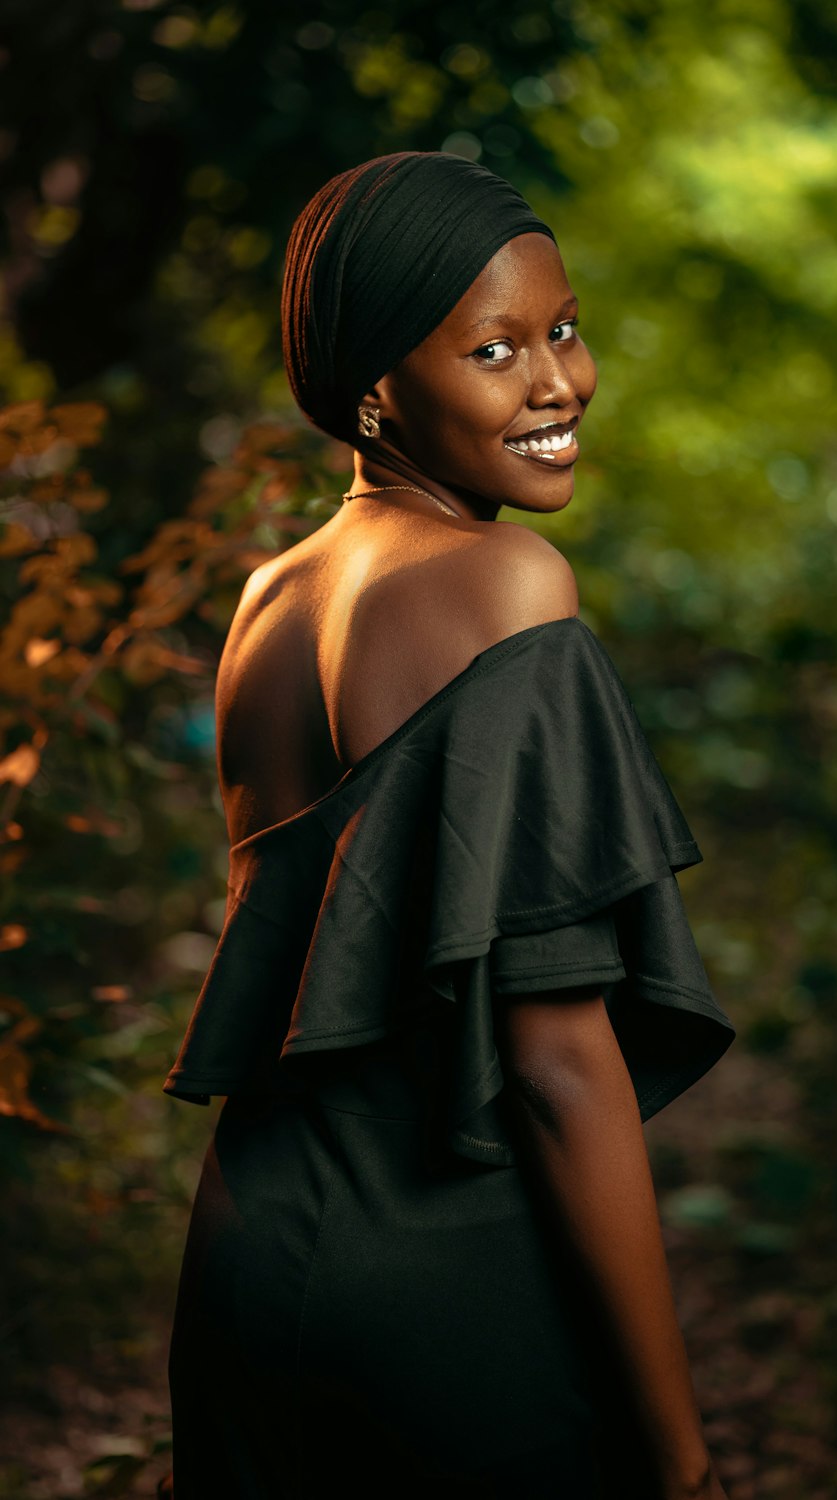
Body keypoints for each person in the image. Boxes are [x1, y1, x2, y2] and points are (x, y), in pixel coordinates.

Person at [162, 151, 737, 1499]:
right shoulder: (504, 582)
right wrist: (681, 1450)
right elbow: (555, 1060)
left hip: (247, 1264)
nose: (557, 383)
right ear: (375, 385)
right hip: (444, 1283)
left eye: (563, 329)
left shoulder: (270, 599)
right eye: (493, 348)